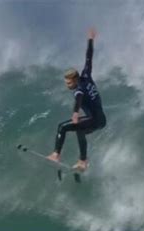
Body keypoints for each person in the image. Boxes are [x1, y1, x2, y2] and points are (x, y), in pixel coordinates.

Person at [46, 27, 106, 171]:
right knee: (80, 130)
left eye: (69, 83)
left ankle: (56, 154)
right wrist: (91, 40)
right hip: (101, 120)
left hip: (94, 119)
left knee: (62, 127)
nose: (67, 85)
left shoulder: (78, 89)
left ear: (75, 80)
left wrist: (75, 112)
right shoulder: (86, 75)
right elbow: (88, 57)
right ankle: (83, 162)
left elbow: (79, 97)